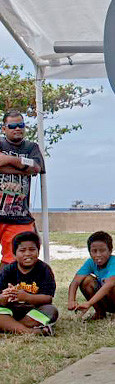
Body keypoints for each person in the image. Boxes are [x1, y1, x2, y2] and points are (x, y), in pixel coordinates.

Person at [0, 111, 45, 270]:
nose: (17, 128)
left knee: (13, 261)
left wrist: (10, 160)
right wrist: (22, 168)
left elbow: (36, 167)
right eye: (12, 126)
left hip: (18, 216)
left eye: (21, 125)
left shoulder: (31, 147)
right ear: (4, 129)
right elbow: (28, 168)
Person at [68, 231, 115, 325]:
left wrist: (88, 303)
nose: (98, 255)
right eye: (94, 251)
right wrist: (71, 300)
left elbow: (109, 285)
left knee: (114, 284)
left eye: (102, 250)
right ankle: (100, 312)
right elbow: (75, 282)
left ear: (110, 251)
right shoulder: (90, 262)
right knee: (86, 281)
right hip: (107, 296)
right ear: (89, 252)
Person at [0, 231, 57, 335]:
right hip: (12, 310)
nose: (27, 254)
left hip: (33, 310)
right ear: (14, 254)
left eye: (32, 250)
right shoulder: (8, 270)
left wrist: (26, 297)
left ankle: (11, 327)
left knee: (51, 310)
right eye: (22, 250)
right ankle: (30, 331)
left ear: (38, 252)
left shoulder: (44, 269)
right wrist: (4, 297)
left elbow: (48, 298)